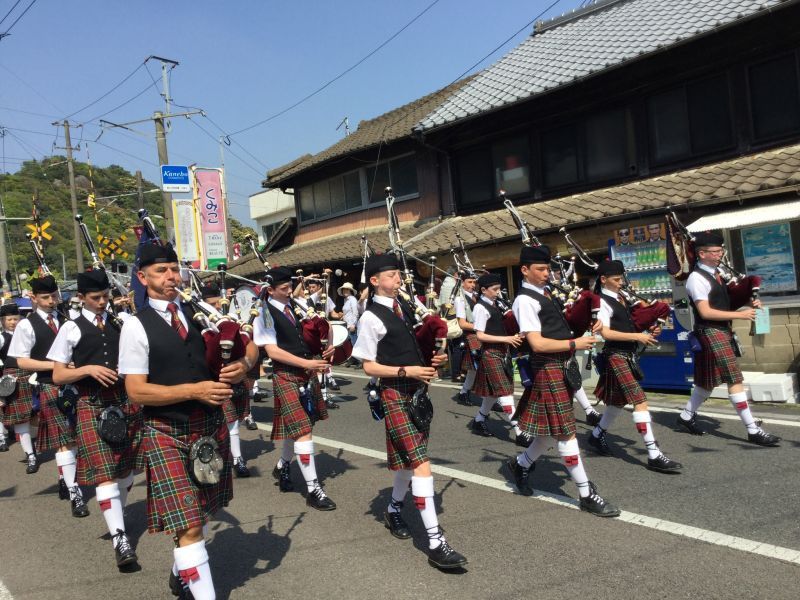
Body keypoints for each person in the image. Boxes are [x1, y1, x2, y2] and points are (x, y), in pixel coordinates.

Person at [119, 243, 257, 600]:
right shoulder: (136, 326)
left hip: (209, 427)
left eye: (173, 269)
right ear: (142, 277)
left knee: (200, 515)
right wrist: (194, 391)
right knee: (191, 525)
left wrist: (242, 366)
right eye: (161, 270)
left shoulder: (201, 315)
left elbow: (250, 346)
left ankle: (182, 567)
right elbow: (136, 391)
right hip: (166, 430)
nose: (170, 276)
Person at [351, 253, 467, 570]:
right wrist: (409, 371)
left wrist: (433, 360)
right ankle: (435, 541)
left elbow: (413, 349)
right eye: (391, 275)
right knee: (421, 462)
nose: (398, 279)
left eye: (398, 274)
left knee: (407, 461)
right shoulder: (370, 317)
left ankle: (393, 509)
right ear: (375, 280)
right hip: (394, 392)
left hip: (416, 392)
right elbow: (368, 366)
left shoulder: (404, 309)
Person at [505, 245, 620, 517]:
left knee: (547, 433)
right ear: (525, 270)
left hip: (560, 366)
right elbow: (537, 343)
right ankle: (586, 493)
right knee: (566, 432)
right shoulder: (525, 300)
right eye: (541, 269)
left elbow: (556, 327)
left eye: (548, 269)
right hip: (547, 367)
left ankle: (521, 464)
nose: (547, 274)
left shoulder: (544, 294)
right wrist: (574, 342)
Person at [48, 269, 144, 568]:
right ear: (81, 298)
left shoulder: (125, 322)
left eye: (106, 297)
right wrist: (88, 370)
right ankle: (120, 538)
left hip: (125, 401)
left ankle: (118, 514)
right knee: (104, 473)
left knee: (126, 473)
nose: (102, 302)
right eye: (95, 298)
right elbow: (58, 374)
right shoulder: (70, 329)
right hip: (91, 404)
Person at [677, 231, 780, 446]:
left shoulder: (718, 274)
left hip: (722, 330)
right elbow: (705, 312)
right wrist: (741, 315)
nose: (719, 255)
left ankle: (686, 416)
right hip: (710, 331)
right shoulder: (696, 279)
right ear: (701, 254)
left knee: (707, 383)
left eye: (720, 251)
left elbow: (724, 303)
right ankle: (752, 429)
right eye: (715, 252)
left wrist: (749, 305)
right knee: (734, 379)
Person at [586, 260, 682, 473]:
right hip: (615, 355)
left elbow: (632, 324)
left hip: (627, 354)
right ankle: (653, 454)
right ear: (604, 280)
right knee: (640, 400)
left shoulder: (620, 298)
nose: (621, 283)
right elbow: (607, 333)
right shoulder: (600, 302)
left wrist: (649, 329)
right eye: (616, 280)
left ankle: (596, 435)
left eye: (622, 279)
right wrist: (637, 335)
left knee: (617, 403)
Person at [253, 266, 337, 510]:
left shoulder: (297, 305)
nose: (290, 291)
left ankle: (282, 466)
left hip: (306, 375)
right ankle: (313, 489)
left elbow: (326, 326)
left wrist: (329, 345)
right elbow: (272, 351)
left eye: (290, 286)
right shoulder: (264, 313)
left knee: (300, 428)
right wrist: (307, 362)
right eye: (284, 288)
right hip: (286, 375)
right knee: (302, 430)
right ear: (270, 290)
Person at [9, 275, 89, 516]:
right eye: (46, 298)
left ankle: (65, 477)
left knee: (78, 437)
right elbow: (22, 360)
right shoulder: (26, 325)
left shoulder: (69, 318)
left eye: (54, 296)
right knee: (66, 440)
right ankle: (75, 492)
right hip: (49, 386)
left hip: (78, 384)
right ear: (33, 298)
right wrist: (55, 366)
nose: (52, 301)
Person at [199, 282, 251, 478]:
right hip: (214, 377)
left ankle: (230, 455)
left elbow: (246, 342)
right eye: (212, 304)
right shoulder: (200, 321)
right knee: (229, 422)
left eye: (219, 304)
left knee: (234, 420)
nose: (217, 308)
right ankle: (237, 459)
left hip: (235, 375)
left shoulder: (228, 318)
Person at [469, 273, 524, 441]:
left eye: (499, 289)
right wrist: (506, 338)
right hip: (491, 353)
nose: (498, 292)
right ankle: (520, 432)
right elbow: (480, 335)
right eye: (495, 289)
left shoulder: (496, 304)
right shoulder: (480, 307)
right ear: (484, 290)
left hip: (502, 352)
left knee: (494, 393)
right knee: (504, 392)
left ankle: (479, 420)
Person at [453, 271, 479, 405]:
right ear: (462, 283)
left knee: (473, 369)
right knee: (483, 367)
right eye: (469, 282)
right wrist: (480, 326)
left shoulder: (477, 296)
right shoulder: (460, 299)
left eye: (474, 282)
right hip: (472, 335)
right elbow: (462, 323)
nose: (473, 285)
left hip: (480, 333)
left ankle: (463, 393)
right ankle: (494, 398)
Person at [0, 302, 22, 452]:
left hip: (19, 374)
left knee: (15, 403)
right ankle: (1, 436)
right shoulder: (1, 338)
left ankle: (15, 429)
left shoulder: (22, 335)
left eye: (15, 319)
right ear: (2, 321)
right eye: (9, 320)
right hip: (2, 374)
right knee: (1, 405)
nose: (13, 322)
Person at [339, 282, 360, 367]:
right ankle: (353, 359)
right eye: (344, 289)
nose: (345, 291)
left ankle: (359, 360)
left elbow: (355, 313)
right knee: (350, 342)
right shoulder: (346, 300)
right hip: (347, 324)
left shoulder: (352, 299)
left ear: (350, 290)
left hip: (351, 324)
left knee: (354, 342)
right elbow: (347, 313)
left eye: (347, 289)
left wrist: (353, 324)